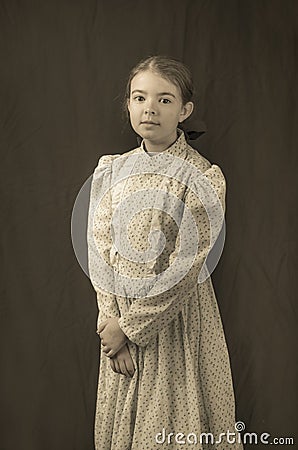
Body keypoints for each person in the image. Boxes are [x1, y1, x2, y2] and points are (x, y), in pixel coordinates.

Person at [87, 55, 243, 450]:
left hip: (174, 323)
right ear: (129, 104)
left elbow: (185, 267)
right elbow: (98, 245)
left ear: (184, 110)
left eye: (164, 100)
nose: (150, 109)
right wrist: (111, 326)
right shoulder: (111, 171)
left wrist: (132, 329)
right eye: (139, 98)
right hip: (118, 323)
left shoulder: (203, 178)